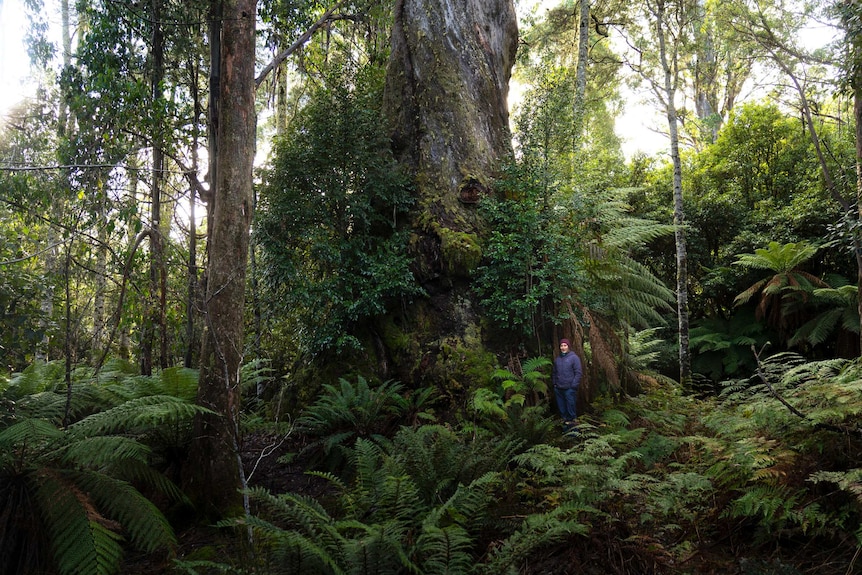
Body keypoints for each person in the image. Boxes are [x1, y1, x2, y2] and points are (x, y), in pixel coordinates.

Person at [552, 338, 582, 433]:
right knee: (562, 410)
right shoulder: (557, 360)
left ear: (568, 347)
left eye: (565, 345)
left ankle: (574, 431)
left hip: (569, 389)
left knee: (571, 410)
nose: (563, 347)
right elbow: (554, 373)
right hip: (559, 389)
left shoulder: (574, 358)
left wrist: (573, 386)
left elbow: (578, 373)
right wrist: (555, 384)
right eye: (561, 345)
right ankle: (566, 430)